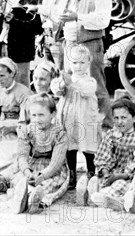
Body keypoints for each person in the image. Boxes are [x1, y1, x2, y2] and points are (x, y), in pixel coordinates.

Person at [59, 0, 113, 128]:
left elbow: (103, 20)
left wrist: (77, 17)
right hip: (70, 45)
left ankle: (106, 126)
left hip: (90, 44)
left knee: (96, 86)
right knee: (71, 84)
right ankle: (79, 126)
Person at [50, 44, 102, 191]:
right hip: (69, 119)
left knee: (87, 147)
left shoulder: (89, 81)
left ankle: (91, 172)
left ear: (88, 63)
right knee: (70, 148)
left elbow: (86, 91)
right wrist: (62, 84)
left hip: (84, 119)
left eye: (82, 63)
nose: (78, 66)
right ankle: (71, 175)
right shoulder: (67, 80)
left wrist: (71, 84)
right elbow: (57, 91)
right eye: (74, 63)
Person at [87, 97, 135, 207]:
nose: (119, 122)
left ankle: (113, 200)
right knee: (98, 180)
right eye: (116, 118)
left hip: (129, 177)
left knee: (121, 186)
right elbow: (103, 155)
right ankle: (96, 193)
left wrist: (118, 176)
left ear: (134, 118)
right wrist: (106, 174)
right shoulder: (111, 134)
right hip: (112, 173)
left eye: (123, 118)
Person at [27, 0, 71, 69]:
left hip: (60, 40)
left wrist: (38, 8)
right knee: (49, 71)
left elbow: (59, 14)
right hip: (47, 39)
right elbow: (44, 21)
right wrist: (40, 41)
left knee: (62, 71)